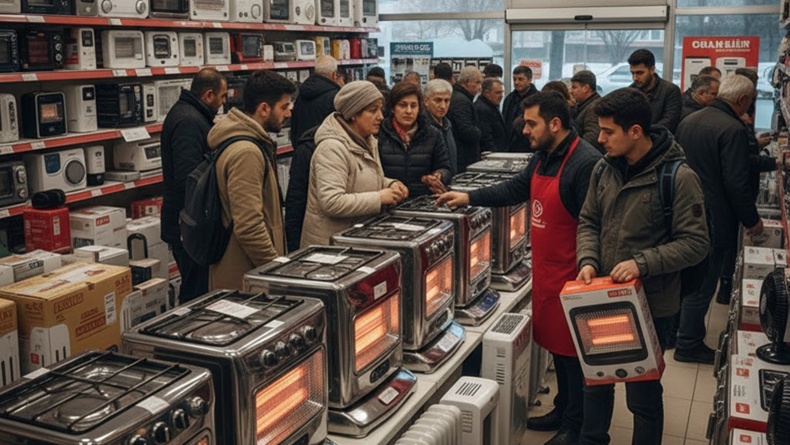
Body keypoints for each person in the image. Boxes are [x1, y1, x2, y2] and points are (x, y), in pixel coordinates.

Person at [436, 92, 602, 445]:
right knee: (560, 352)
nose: (525, 130)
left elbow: (595, 224)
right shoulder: (543, 156)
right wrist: (468, 196)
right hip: (546, 272)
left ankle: (575, 426)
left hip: (574, 274)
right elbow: (516, 188)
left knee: (576, 357)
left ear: (554, 124)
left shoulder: (585, 162)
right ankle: (563, 408)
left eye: (531, 123)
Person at [576, 88, 709, 445]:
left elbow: (696, 244)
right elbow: (589, 221)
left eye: (608, 132)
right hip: (601, 298)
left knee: (643, 395)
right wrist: (587, 260)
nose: (599, 138)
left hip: (651, 304)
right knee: (596, 384)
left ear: (636, 131)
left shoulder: (679, 178)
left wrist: (641, 263)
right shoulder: (603, 169)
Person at [675, 74, 763, 363]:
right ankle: (688, 344)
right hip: (714, 218)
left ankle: (680, 334)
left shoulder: (690, 120)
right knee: (704, 284)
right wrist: (752, 220)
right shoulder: (733, 129)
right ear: (742, 101)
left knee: (689, 279)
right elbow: (736, 183)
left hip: (685, 213)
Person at [206, 70, 294, 290]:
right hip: (245, 276)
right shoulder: (247, 153)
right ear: (264, 109)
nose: (289, 113)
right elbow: (248, 226)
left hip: (248, 271)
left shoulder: (249, 144)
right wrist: (274, 269)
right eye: (284, 107)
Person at [301, 81, 409, 247]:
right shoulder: (332, 148)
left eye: (380, 109)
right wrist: (379, 198)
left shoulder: (367, 140)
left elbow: (360, 178)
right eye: (372, 110)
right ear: (353, 114)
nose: (380, 116)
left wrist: (390, 184)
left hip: (354, 239)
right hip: (330, 247)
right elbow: (331, 202)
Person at [160, 68, 227, 303]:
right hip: (188, 224)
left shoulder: (192, 115)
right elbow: (188, 178)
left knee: (197, 286)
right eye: (222, 96)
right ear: (208, 95)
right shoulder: (188, 121)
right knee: (195, 292)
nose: (223, 102)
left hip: (188, 221)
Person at [378, 81, 451, 197]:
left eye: (413, 106)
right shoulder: (380, 134)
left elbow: (445, 167)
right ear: (392, 108)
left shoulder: (433, 134)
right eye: (402, 105)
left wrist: (439, 175)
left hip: (422, 202)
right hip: (390, 202)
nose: (408, 111)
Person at [290, 55, 344, 144]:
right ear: (334, 75)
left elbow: (294, 125)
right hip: (324, 149)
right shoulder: (335, 96)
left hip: (302, 148)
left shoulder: (302, 92)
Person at [628, 49, 682, 133]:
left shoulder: (670, 91)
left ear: (652, 69)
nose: (635, 78)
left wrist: (643, 134)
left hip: (661, 141)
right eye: (632, 73)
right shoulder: (630, 91)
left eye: (640, 73)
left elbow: (669, 122)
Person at [447, 65, 483, 172]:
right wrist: (479, 132)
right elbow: (466, 131)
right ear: (466, 82)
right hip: (463, 157)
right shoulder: (461, 101)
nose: (479, 87)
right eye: (477, 82)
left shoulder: (460, 97)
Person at [424, 79, 458, 175]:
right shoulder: (422, 127)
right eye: (438, 100)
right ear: (426, 101)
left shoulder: (447, 124)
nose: (443, 106)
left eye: (446, 101)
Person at [503, 66, 538, 152]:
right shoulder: (509, 98)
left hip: (529, 145)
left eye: (520, 79)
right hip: (510, 145)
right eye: (514, 79)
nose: (516, 82)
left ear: (529, 80)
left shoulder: (537, 99)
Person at [570, 70, 603, 152]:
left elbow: (592, 138)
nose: (571, 91)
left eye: (574, 87)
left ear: (586, 88)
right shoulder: (583, 105)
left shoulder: (594, 109)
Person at [474, 77, 507, 152]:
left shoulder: (492, 107)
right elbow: (486, 137)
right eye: (498, 92)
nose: (501, 95)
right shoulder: (482, 110)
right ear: (487, 93)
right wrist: (495, 155)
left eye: (502, 92)